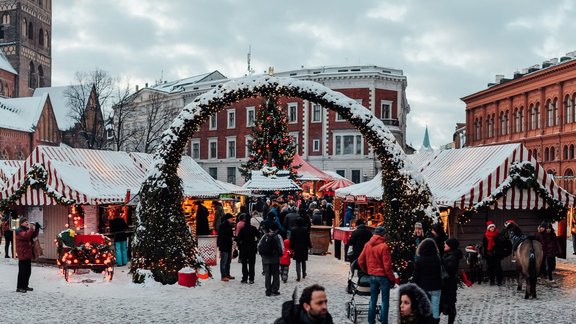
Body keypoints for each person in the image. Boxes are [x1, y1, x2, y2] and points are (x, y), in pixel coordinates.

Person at [357, 226, 396, 324]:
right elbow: (387, 266)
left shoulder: (367, 245)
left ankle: (371, 321)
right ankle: (384, 321)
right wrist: (392, 279)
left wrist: (366, 271)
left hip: (372, 275)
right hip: (383, 277)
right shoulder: (384, 246)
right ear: (383, 234)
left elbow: (360, 261)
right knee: (384, 301)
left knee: (373, 299)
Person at [412, 238, 442, 323]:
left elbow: (416, 276)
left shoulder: (419, 260)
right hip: (436, 287)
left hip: (424, 287)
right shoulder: (437, 258)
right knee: (435, 308)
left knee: (425, 309)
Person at [440, 238, 463, 324]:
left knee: (451, 304)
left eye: (446, 244)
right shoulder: (447, 254)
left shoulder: (452, 257)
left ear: (451, 247)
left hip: (449, 285)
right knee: (448, 303)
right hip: (447, 284)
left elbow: (449, 271)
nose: (444, 245)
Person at [258, 222, 284, 296]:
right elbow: (281, 248)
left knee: (267, 275)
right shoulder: (278, 236)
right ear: (277, 229)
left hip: (265, 259)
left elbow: (259, 245)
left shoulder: (265, 236)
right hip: (275, 259)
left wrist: (262, 255)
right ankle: (274, 289)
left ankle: (268, 290)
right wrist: (280, 255)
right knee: (276, 275)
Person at [15, 216, 39, 293]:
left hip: (27, 253)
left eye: (27, 222)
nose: (27, 223)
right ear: (22, 223)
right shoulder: (19, 230)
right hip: (22, 253)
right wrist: (31, 228)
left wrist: (37, 228)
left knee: (28, 271)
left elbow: (32, 235)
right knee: (22, 271)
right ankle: (19, 287)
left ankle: (25, 286)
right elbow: (26, 236)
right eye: (26, 222)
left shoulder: (25, 229)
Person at [237, 213, 259, 284]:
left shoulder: (242, 229)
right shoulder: (253, 228)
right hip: (252, 247)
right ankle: (251, 278)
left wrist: (239, 247)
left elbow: (238, 239)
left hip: (244, 248)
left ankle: (244, 278)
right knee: (252, 264)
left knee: (244, 264)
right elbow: (259, 236)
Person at [289, 217, 311, 282]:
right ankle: (304, 273)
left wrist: (291, 247)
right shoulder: (305, 229)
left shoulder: (293, 230)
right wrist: (310, 246)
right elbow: (308, 239)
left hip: (296, 247)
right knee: (303, 261)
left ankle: (298, 276)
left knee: (297, 262)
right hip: (304, 247)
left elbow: (291, 239)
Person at [482, 221, 502, 286]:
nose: (492, 228)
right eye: (491, 227)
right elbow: (485, 246)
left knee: (498, 268)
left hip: (497, 254)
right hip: (489, 254)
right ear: (488, 228)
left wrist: (498, 251)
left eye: (493, 227)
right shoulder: (486, 236)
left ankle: (499, 281)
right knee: (491, 268)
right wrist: (487, 253)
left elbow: (501, 244)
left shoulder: (498, 235)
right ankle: (492, 281)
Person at [217, 213, 235, 282]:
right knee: (224, 261)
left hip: (228, 245)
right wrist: (230, 238)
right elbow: (222, 236)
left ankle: (227, 274)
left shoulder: (228, 225)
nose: (232, 219)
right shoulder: (223, 226)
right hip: (224, 245)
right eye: (231, 218)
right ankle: (223, 276)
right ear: (228, 219)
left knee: (228, 261)